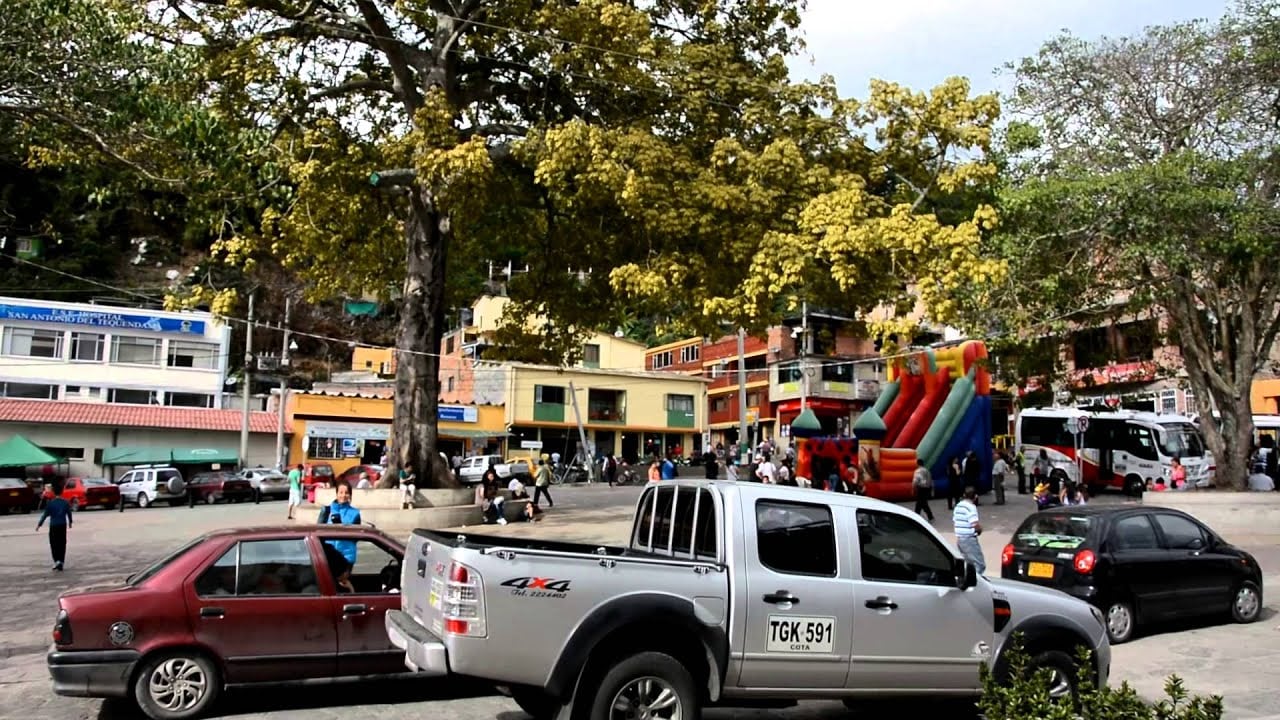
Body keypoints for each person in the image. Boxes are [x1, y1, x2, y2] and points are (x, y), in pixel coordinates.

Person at [319, 481, 362, 565]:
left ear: (350, 494)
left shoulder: (355, 513)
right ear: (336, 493)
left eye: (346, 493)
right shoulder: (327, 510)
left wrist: (343, 530)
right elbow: (318, 533)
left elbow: (356, 537)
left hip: (347, 556)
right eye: (341, 492)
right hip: (329, 556)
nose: (343, 495)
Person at [36, 481, 72, 571]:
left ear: (53, 492)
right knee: (62, 543)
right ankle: (61, 561)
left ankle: (57, 561)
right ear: (62, 492)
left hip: (54, 526)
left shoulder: (50, 504)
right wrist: (70, 522)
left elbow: (45, 515)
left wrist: (39, 525)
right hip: (62, 525)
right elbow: (69, 513)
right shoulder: (65, 502)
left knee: (54, 544)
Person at [953, 486, 984, 574]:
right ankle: (977, 583)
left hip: (960, 539)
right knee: (979, 565)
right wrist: (980, 530)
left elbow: (955, 521)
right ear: (975, 497)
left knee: (967, 564)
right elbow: (974, 524)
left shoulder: (958, 506)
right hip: (969, 539)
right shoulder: (971, 507)